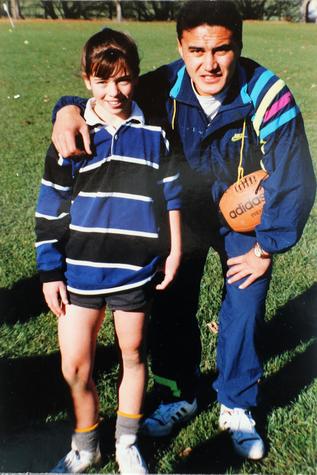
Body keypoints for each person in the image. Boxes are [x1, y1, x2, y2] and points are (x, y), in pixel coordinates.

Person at [50, 0, 316, 462]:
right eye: (196, 50)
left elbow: (295, 175)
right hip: (181, 214)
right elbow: (108, 96)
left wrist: (268, 246)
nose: (208, 63)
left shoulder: (268, 91)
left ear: (238, 47)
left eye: (222, 50)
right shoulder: (162, 85)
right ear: (180, 47)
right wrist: (66, 110)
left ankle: (236, 404)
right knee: (172, 298)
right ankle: (179, 392)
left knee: (246, 302)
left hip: (243, 216)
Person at [35, 28, 182, 474]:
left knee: (133, 355)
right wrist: (49, 271)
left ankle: (126, 442)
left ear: (135, 77)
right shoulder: (72, 133)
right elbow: (51, 205)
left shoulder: (155, 133)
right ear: (86, 81)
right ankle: (86, 446)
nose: (113, 92)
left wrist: (173, 251)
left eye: (123, 80)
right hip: (79, 272)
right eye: (102, 82)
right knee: (75, 366)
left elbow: (172, 197)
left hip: (135, 272)